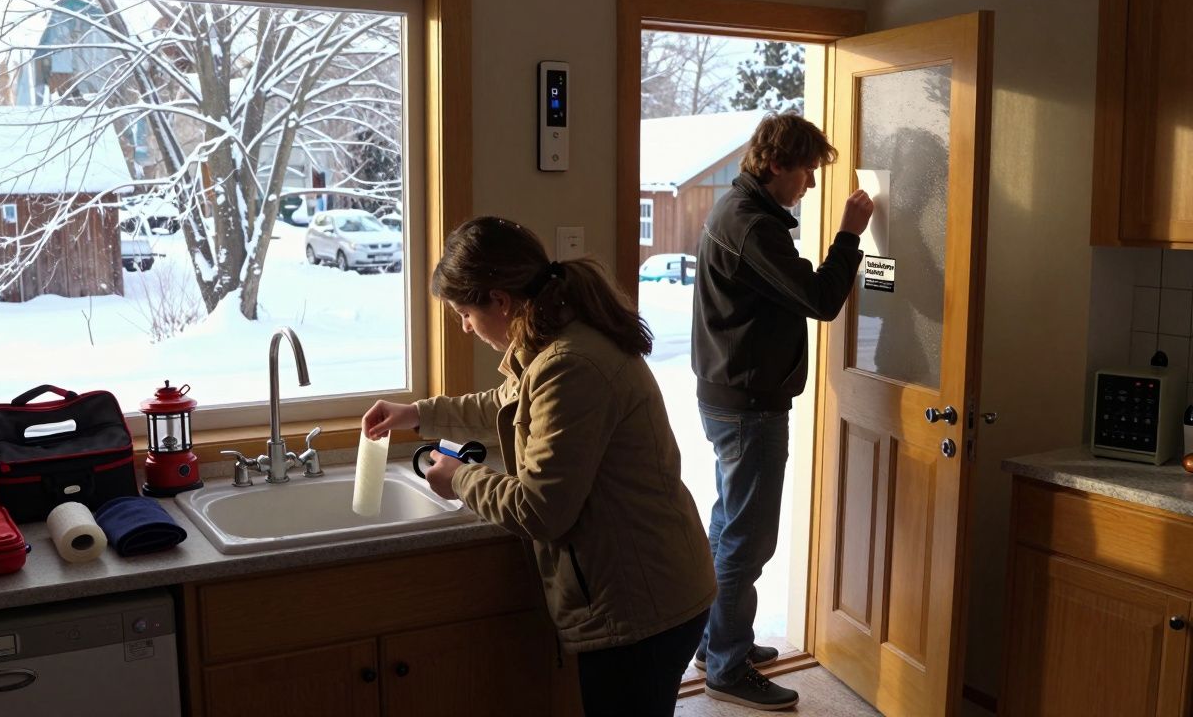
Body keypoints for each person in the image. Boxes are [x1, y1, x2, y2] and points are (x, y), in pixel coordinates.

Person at [363, 216, 716, 717]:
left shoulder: (569, 364)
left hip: (642, 602)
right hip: (647, 585)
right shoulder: (555, 339)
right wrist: (417, 414)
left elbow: (542, 509)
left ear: (500, 301)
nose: (464, 326)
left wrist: (460, 478)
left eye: (465, 312)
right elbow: (503, 404)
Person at [691, 113, 873, 711]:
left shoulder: (741, 212)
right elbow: (820, 299)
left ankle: (717, 640)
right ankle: (726, 667)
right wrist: (850, 233)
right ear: (775, 165)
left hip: (730, 401)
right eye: (807, 170)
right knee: (748, 538)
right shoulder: (752, 228)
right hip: (748, 410)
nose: (812, 185)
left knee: (729, 527)